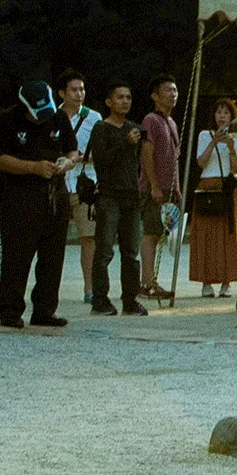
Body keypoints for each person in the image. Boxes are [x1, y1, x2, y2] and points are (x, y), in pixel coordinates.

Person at [0, 80, 77, 328]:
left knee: (53, 256)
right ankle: (9, 310)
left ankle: (45, 309)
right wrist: (33, 167)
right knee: (17, 256)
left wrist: (67, 162)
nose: (42, 119)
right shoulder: (7, 119)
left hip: (54, 193)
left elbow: (73, 150)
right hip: (21, 195)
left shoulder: (59, 116)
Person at [87, 81, 147, 316]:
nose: (125, 101)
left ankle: (130, 299)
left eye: (128, 97)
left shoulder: (133, 126)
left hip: (131, 196)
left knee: (131, 252)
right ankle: (99, 299)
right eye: (120, 97)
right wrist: (125, 142)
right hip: (109, 195)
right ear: (109, 101)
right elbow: (101, 160)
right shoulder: (102, 128)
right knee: (104, 251)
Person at [54, 70, 102, 305]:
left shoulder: (94, 117)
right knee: (53, 238)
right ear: (62, 93)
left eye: (82, 89)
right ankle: (49, 287)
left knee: (89, 238)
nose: (79, 94)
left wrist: (80, 159)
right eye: (73, 89)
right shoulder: (53, 116)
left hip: (86, 183)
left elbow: (101, 152)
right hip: (59, 183)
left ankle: (89, 288)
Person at [192, 98, 237, 298]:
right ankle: (206, 282)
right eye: (219, 112)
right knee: (206, 235)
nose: (222, 116)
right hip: (207, 184)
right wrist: (214, 142)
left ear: (233, 117)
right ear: (214, 116)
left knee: (228, 235)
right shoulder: (204, 135)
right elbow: (201, 163)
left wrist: (231, 147)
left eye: (226, 113)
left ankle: (226, 282)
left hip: (227, 186)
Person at [137, 74, 181, 299]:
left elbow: (173, 159)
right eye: (167, 90)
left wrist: (178, 190)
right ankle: (146, 282)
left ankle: (151, 280)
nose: (172, 94)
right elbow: (147, 153)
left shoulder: (171, 122)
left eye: (174, 90)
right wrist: (154, 185)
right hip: (155, 186)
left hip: (170, 187)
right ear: (155, 95)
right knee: (151, 234)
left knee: (161, 235)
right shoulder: (150, 121)